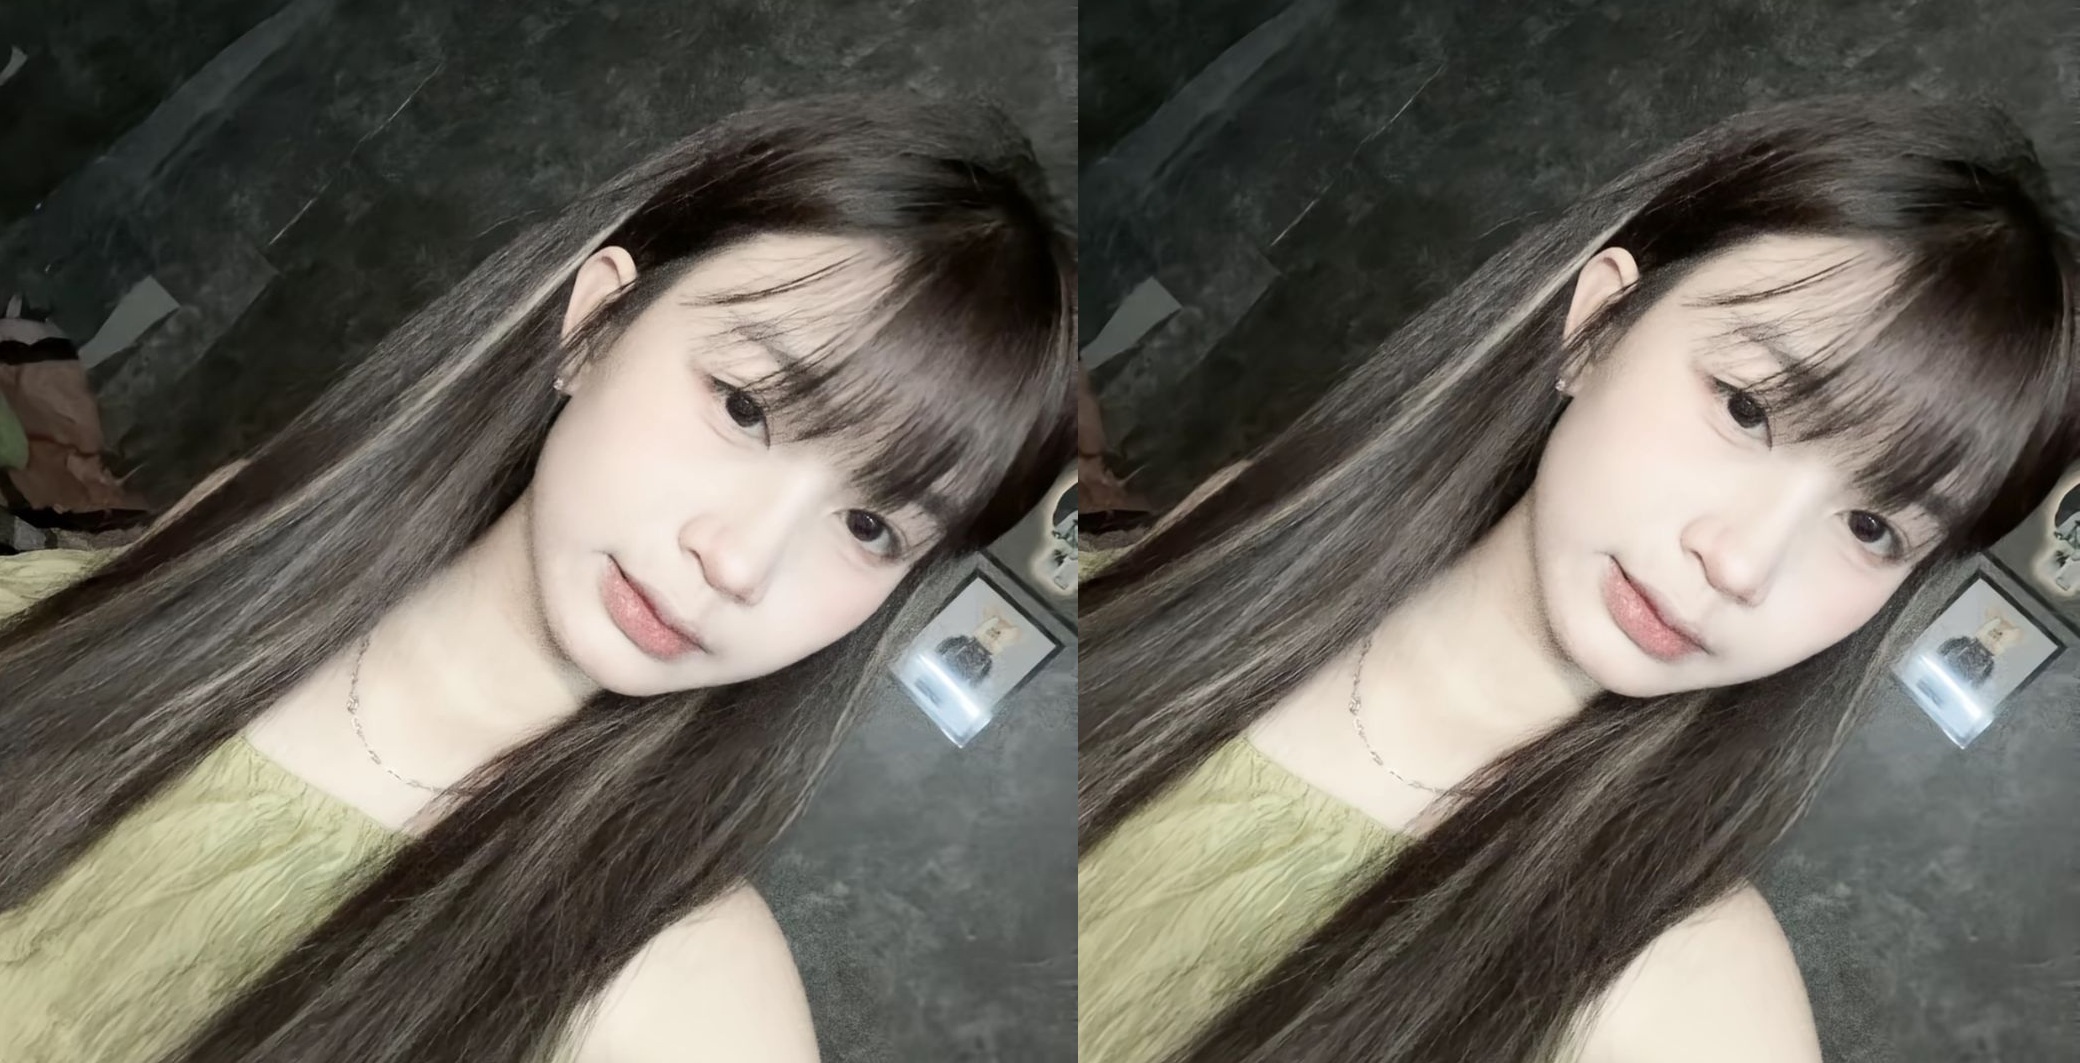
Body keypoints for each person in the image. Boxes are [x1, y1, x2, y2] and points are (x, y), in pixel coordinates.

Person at [0, 94, 1075, 1063]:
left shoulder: (689, 1001)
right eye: (746, 407)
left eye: (871, 526)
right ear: (595, 327)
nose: (742, 562)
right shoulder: (233, 540)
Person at [1076, 92, 2080, 1063]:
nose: (1740, 563)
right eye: (1746, 408)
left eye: (1872, 528)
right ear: (1598, 325)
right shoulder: (1246, 524)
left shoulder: (1692, 998)